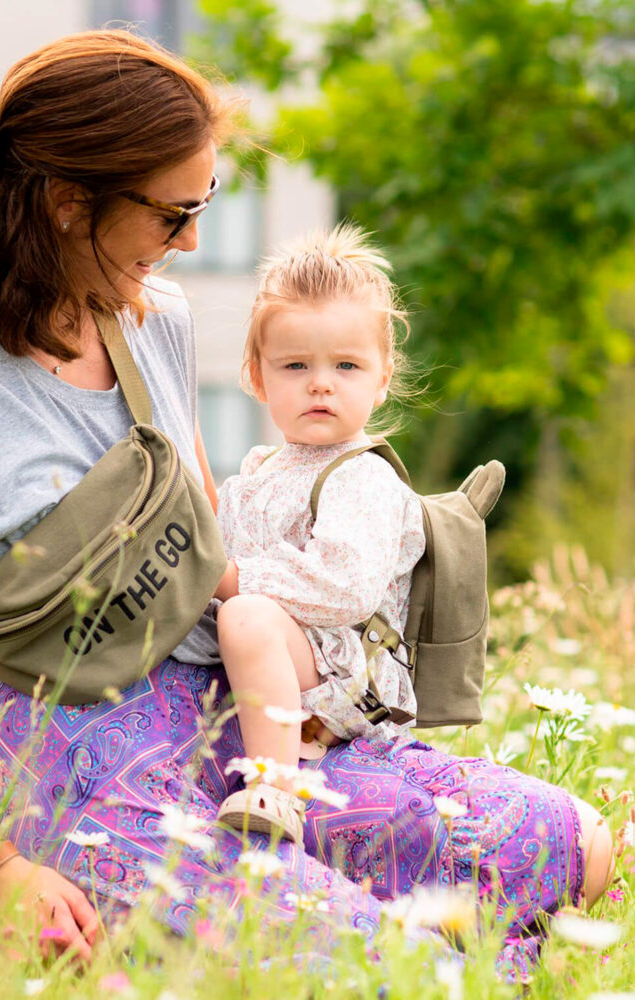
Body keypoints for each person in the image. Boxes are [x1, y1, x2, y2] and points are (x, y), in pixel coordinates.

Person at [0, 29, 612, 972]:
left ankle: (358, 926)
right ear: (70, 204)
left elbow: (210, 553)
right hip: (87, 773)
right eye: (171, 213)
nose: (191, 239)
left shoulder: (155, 323)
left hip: (244, 742)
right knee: (375, 973)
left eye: (205, 203)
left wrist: (321, 677)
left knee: (572, 845)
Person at [212, 225, 424, 845]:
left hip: (347, 671)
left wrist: (234, 582)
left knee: (246, 616)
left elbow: (346, 588)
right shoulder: (257, 472)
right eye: (296, 365)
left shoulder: (363, 475)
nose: (321, 383)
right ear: (257, 377)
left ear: (383, 377)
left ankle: (275, 791)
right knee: (238, 617)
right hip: (288, 658)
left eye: (347, 365)